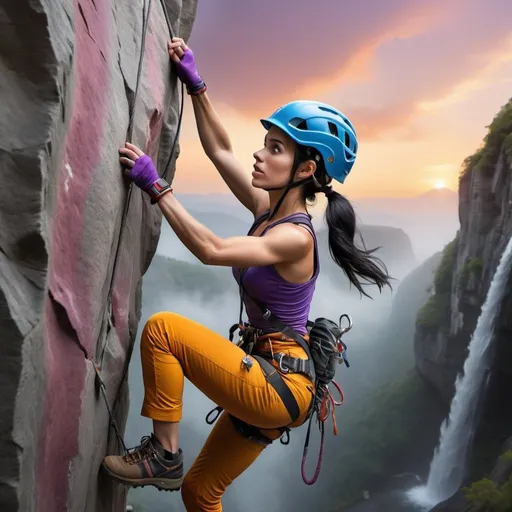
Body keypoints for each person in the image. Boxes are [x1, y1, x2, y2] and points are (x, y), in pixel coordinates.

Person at [102, 37, 391, 511]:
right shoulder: (268, 210)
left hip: (278, 383)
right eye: (265, 144)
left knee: (163, 332)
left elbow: (212, 249)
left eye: (275, 149)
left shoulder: (296, 237)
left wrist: (157, 187)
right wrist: (196, 86)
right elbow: (220, 152)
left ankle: (163, 454)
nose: (260, 155)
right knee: (201, 494)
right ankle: (172, 464)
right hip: (273, 380)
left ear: (305, 169)